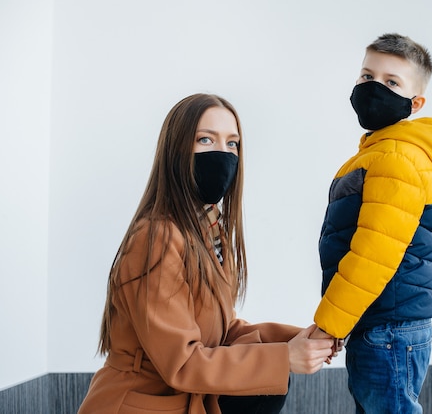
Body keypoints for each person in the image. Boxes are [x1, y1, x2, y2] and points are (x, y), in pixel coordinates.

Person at [78, 93, 335, 414]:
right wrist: (284, 357)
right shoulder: (156, 236)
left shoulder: (208, 230)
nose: (222, 154)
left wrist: (300, 338)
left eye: (232, 144)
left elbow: (221, 333)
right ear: (176, 151)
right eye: (205, 139)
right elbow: (182, 362)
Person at [310, 33, 432, 413]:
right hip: (383, 323)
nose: (374, 87)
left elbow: (373, 254)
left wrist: (331, 323)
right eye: (366, 76)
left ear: (415, 103)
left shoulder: (396, 158)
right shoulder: (380, 153)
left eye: (392, 82)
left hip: (389, 328)